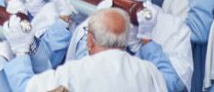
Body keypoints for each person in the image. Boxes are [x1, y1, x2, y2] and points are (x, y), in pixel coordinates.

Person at [26, 8, 167, 92]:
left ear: (90, 40)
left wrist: (21, 52)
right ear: (125, 41)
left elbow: (30, 88)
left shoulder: (72, 72)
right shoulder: (149, 71)